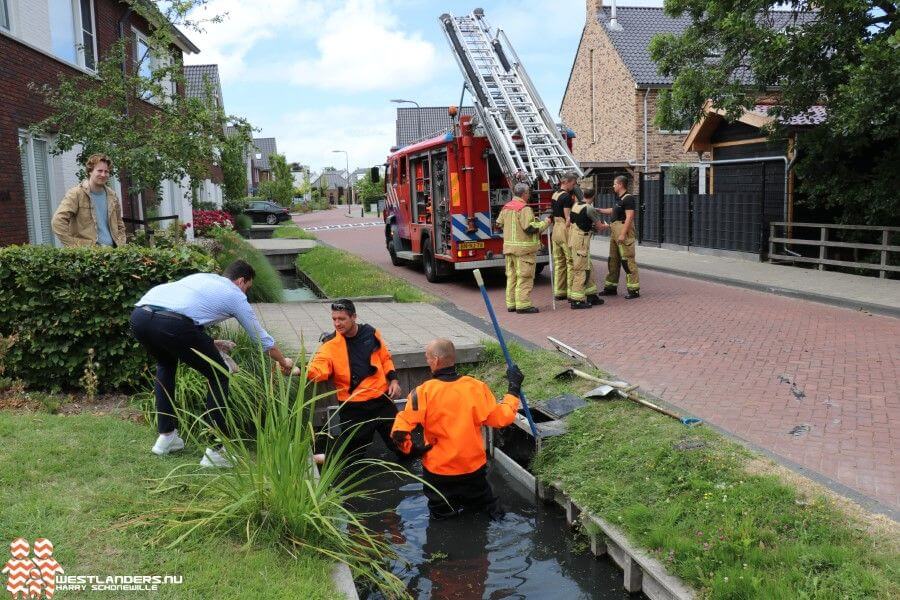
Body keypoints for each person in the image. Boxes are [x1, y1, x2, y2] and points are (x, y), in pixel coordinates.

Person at [130, 260, 295, 468]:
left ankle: (166, 437)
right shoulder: (235, 295)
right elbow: (262, 339)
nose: (246, 294)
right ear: (241, 281)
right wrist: (283, 361)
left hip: (140, 317)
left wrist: (211, 344)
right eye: (248, 288)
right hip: (171, 324)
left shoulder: (204, 278)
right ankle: (215, 451)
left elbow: (185, 318)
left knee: (166, 365)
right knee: (219, 374)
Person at [391, 338, 523, 519]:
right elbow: (502, 418)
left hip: (439, 473)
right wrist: (513, 388)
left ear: (436, 360)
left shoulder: (422, 393)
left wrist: (411, 449)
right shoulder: (476, 388)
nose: (427, 361)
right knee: (485, 511)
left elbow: (399, 431)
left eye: (427, 358)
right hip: (472, 470)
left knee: (441, 517)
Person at [307, 299, 403, 463]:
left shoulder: (371, 333)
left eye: (342, 319)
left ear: (354, 317)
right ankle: (310, 461)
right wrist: (299, 370)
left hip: (381, 400)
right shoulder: (330, 345)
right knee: (350, 457)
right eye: (334, 319)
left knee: (404, 446)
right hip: (354, 406)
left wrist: (393, 380)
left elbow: (385, 358)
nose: (337, 323)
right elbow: (318, 370)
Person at [51, 153, 127, 247]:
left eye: (106, 171)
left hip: (113, 253)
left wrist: (121, 244)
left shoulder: (112, 196)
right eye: (99, 171)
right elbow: (58, 222)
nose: (103, 174)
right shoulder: (76, 194)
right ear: (90, 171)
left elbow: (120, 224)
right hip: (89, 255)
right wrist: (74, 246)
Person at [497, 182, 549, 314]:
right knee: (524, 277)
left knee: (512, 277)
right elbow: (530, 228)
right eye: (528, 193)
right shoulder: (524, 208)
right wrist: (546, 222)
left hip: (509, 249)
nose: (529, 195)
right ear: (524, 194)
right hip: (524, 251)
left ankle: (512, 303)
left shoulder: (506, 207)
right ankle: (523, 305)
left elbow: (499, 224)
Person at [598, 175, 640, 299]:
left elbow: (630, 217)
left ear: (621, 184)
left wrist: (622, 234)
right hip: (614, 231)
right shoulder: (619, 199)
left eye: (615, 184)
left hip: (622, 231)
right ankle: (611, 288)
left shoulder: (628, 199)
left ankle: (634, 290)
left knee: (627, 260)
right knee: (613, 260)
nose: (613, 186)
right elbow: (614, 210)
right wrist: (599, 210)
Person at [567, 188, 609, 309]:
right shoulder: (589, 208)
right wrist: (607, 226)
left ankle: (591, 295)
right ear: (593, 196)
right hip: (581, 242)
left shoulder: (576, 205)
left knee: (588, 267)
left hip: (574, 240)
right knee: (581, 271)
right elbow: (600, 227)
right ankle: (577, 300)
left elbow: (572, 222)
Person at [549, 174, 577, 301]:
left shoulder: (555, 194)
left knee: (559, 262)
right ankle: (571, 293)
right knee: (570, 261)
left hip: (555, 230)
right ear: (567, 182)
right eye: (573, 183)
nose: (574, 186)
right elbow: (568, 218)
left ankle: (559, 292)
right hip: (564, 229)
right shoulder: (566, 196)